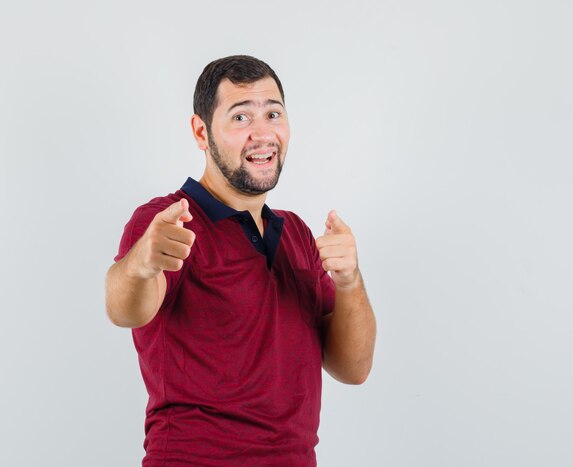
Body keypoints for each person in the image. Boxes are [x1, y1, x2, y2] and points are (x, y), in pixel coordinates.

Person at [105, 55, 376, 466]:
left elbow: (353, 369)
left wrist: (350, 281)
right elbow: (124, 310)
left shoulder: (297, 234)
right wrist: (143, 262)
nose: (262, 133)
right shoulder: (169, 221)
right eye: (240, 117)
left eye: (273, 113)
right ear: (201, 132)